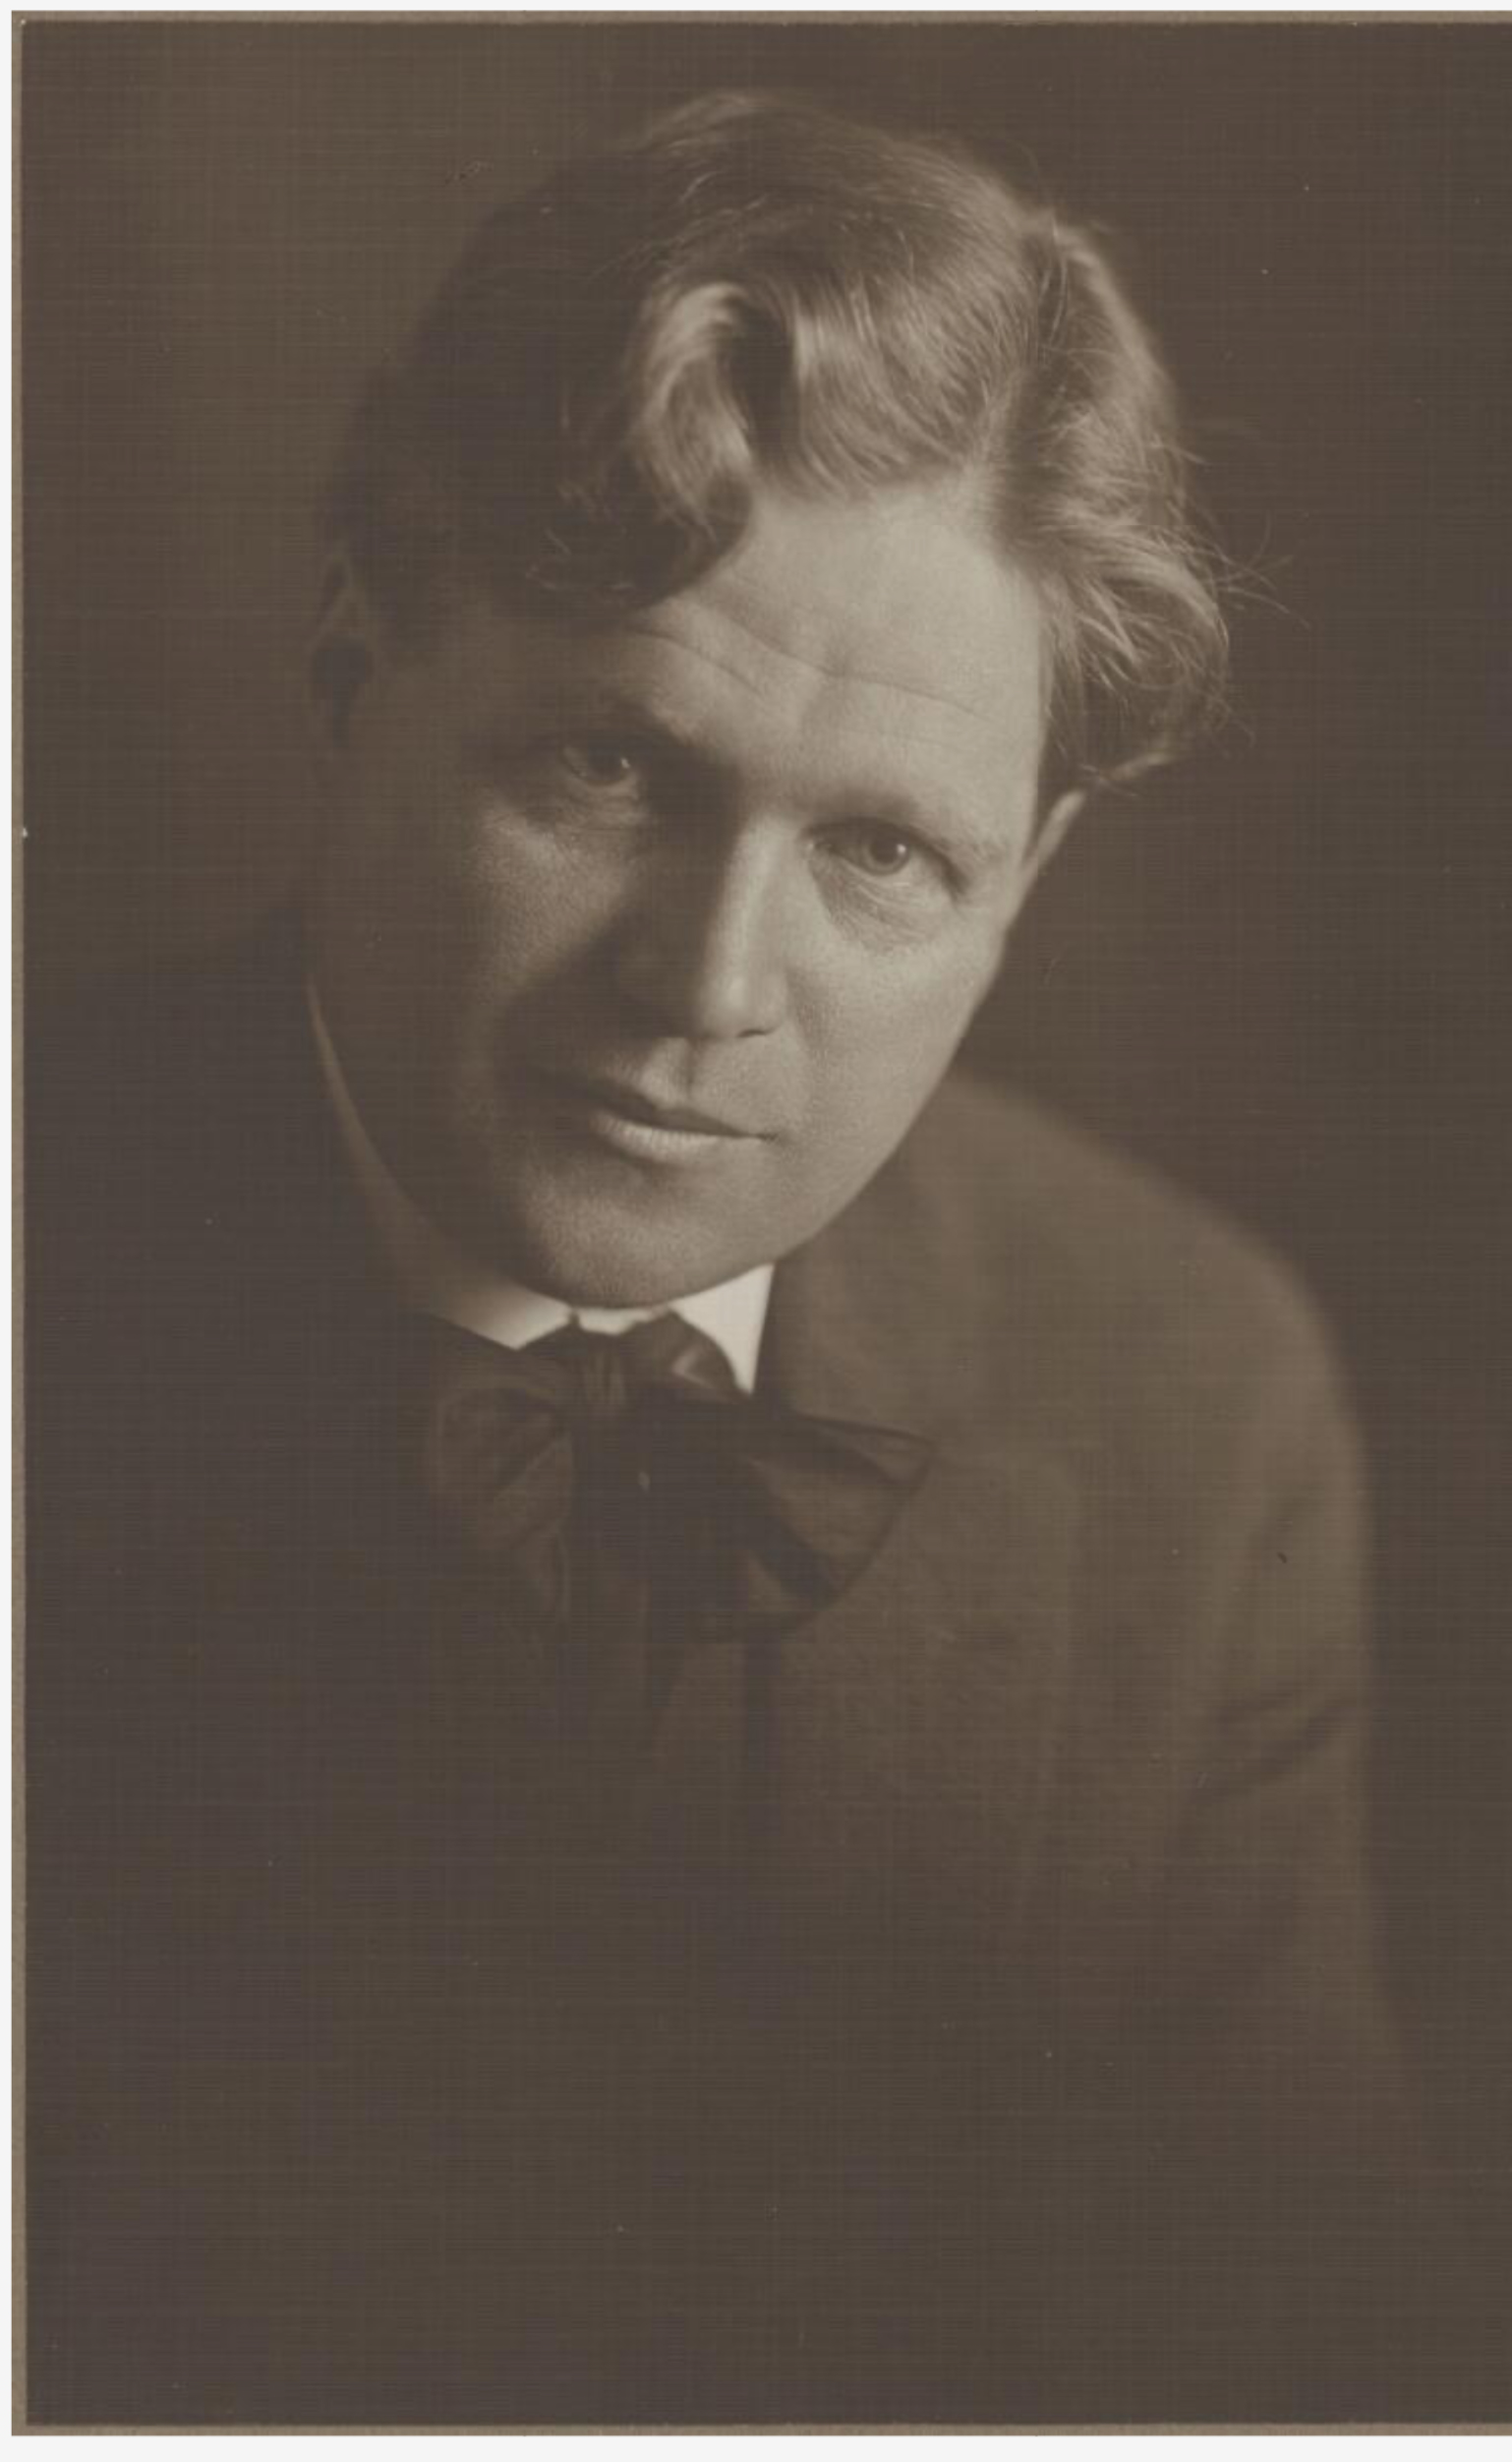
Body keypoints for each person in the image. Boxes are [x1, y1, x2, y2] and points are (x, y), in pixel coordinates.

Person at [27, 92, 1420, 2427]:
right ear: (356, 658)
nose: (706, 986)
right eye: (609, 769)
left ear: (1029, 876)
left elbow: (1292, 2364)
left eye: (883, 854)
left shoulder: (1194, 1394)